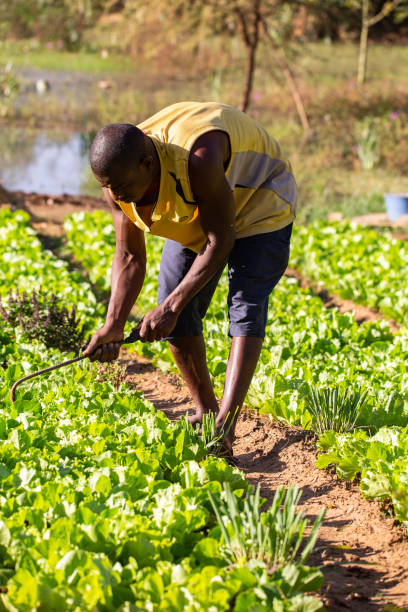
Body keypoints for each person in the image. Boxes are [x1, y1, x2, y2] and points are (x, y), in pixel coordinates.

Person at [84, 101, 297, 460]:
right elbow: (129, 256)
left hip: (260, 195)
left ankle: (225, 427)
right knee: (175, 307)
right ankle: (206, 410)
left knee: (244, 304)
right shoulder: (118, 181)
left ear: (147, 165)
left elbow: (221, 240)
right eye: (108, 188)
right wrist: (113, 325)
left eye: (120, 186)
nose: (115, 196)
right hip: (206, 204)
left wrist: (169, 306)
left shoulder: (198, 157)